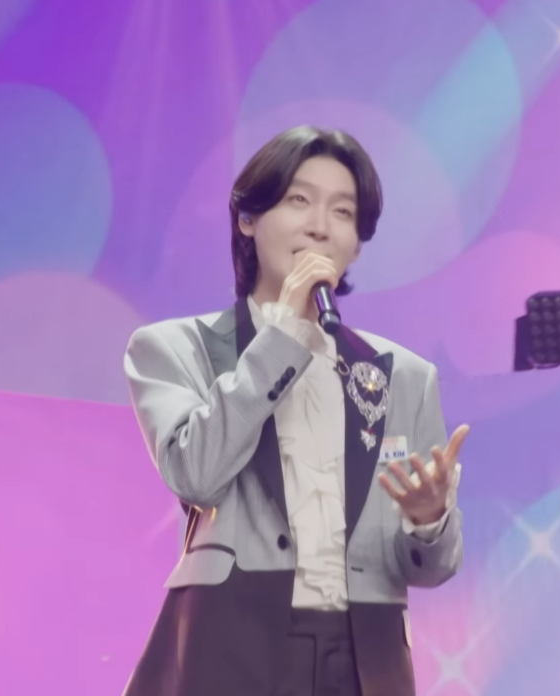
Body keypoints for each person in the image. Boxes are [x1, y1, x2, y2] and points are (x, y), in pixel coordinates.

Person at [121, 125, 469, 696]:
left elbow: (431, 570)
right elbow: (196, 476)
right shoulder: (174, 348)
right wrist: (282, 338)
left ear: (357, 243)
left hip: (368, 656)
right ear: (248, 219)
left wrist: (429, 520)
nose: (319, 225)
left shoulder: (404, 377)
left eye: (343, 211)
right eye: (298, 200)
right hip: (231, 642)